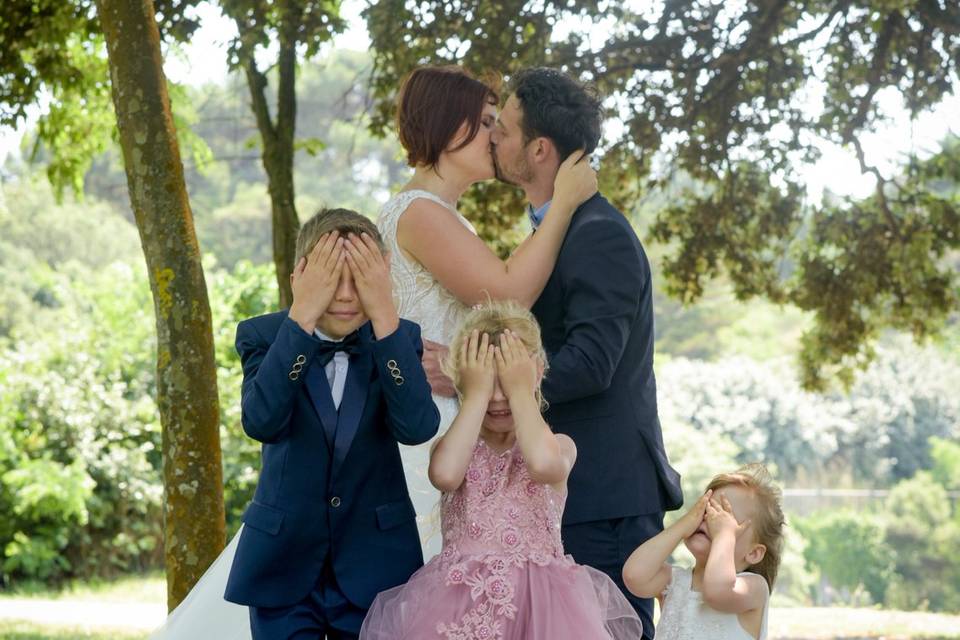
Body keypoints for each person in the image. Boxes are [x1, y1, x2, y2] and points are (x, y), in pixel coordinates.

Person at [150, 208, 440, 640]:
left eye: (359, 278)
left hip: (374, 563)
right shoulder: (264, 336)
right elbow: (262, 420)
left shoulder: (397, 339)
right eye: (331, 279)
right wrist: (302, 317)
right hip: (283, 565)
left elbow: (416, 426)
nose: (345, 295)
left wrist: (384, 317)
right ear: (299, 277)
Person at [485, 66, 684, 638]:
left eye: (505, 127)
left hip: (604, 494)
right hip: (573, 489)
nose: (494, 136)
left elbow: (593, 362)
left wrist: (491, 386)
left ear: (539, 148)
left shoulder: (599, 233)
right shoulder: (557, 232)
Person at [377, 65, 598, 555]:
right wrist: (562, 204)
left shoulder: (445, 215)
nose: (495, 135)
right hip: (427, 424)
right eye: (483, 121)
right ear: (447, 125)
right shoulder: (419, 212)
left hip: (453, 409)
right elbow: (507, 297)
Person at [359, 301, 644, 639]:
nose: (496, 397)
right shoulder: (455, 449)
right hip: (460, 605)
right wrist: (474, 394)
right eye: (485, 382)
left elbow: (541, 465)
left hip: (545, 611)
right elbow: (446, 476)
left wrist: (521, 389)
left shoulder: (559, 446)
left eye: (506, 382)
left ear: (535, 372)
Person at [621, 464, 785, 640]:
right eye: (706, 510)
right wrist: (685, 524)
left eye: (725, 517)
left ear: (753, 553)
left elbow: (716, 592)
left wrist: (724, 535)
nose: (710, 519)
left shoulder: (754, 588)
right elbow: (633, 575)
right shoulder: (673, 581)